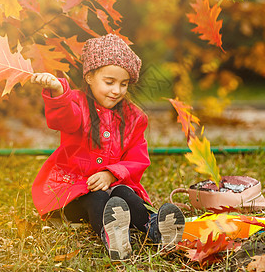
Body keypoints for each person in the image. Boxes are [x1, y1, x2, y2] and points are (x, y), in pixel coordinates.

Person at [31, 34, 185, 261]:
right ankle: (113, 236)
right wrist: (58, 90)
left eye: (123, 84)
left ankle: (152, 229)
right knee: (98, 200)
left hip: (113, 186)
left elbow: (138, 158)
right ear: (90, 77)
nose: (117, 91)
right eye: (109, 82)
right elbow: (62, 119)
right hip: (74, 192)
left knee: (124, 194)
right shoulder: (76, 104)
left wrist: (112, 174)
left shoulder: (133, 118)